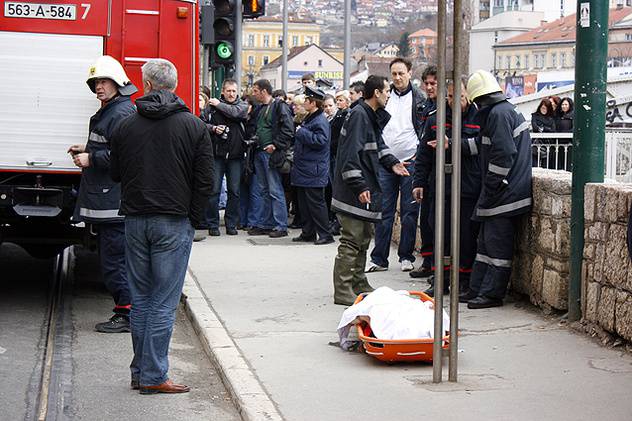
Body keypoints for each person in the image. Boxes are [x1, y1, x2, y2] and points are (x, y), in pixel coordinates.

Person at [110, 58, 213, 393]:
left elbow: (115, 174)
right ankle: (154, 376)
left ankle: (141, 371)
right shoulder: (194, 126)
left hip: (136, 221)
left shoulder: (126, 125)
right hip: (173, 221)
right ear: (174, 85)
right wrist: (192, 219)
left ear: (148, 85)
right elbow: (205, 181)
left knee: (141, 299)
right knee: (163, 302)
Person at [68, 55, 136, 333]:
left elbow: (125, 155)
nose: (99, 86)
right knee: (113, 261)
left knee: (114, 263)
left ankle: (127, 315)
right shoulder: (112, 111)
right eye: (96, 82)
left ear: (118, 82)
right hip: (107, 199)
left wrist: (91, 159)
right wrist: (86, 150)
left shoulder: (120, 113)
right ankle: (127, 312)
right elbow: (109, 145)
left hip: (113, 202)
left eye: (104, 81)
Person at [331, 75, 410, 306]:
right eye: (386, 91)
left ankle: (358, 281)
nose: (388, 95)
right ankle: (343, 288)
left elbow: (377, 146)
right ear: (376, 93)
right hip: (353, 192)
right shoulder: (359, 116)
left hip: (361, 189)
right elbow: (349, 156)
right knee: (351, 240)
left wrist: (392, 162)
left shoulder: (368, 115)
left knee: (363, 238)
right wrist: (360, 186)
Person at [460, 69, 532, 309]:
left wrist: (491, 186)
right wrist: (453, 146)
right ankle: (478, 289)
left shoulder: (498, 115)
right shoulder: (501, 111)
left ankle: (491, 294)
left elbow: (503, 154)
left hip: (505, 194)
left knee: (496, 245)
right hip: (504, 192)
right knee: (485, 245)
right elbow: (483, 146)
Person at [412, 78, 481, 297]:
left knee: (465, 236)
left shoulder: (480, 117)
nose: (454, 101)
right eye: (449, 96)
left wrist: (451, 143)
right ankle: (440, 280)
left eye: (458, 96)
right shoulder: (435, 119)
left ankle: (463, 280)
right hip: (439, 185)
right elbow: (423, 154)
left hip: (468, 186)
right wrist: (419, 182)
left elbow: (480, 146)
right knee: (438, 232)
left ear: (468, 95)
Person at [366, 58, 425, 273]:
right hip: (386, 162)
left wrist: (419, 155)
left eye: (401, 73)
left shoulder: (420, 98)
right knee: (383, 210)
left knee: (410, 212)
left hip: (411, 161)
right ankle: (379, 258)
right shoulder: (385, 96)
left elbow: (424, 128)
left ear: (410, 73)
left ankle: (406, 255)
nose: (397, 78)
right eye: (394, 74)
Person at [200, 79, 249, 236]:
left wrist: (218, 105)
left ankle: (231, 224)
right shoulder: (211, 108)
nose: (231, 94)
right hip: (217, 155)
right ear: (223, 91)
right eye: (228, 91)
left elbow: (236, 113)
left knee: (234, 191)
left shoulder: (241, 106)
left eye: (234, 91)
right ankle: (213, 224)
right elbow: (200, 124)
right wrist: (213, 128)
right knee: (214, 191)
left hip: (236, 156)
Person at [248, 79, 294, 237]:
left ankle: (281, 226)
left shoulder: (279, 107)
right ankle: (267, 223)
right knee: (265, 190)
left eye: (255, 91)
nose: (253, 94)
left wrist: (275, 145)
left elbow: (288, 130)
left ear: (263, 91)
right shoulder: (262, 108)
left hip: (271, 154)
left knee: (274, 190)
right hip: (261, 152)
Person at [291, 86, 334, 245]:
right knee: (304, 204)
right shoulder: (311, 117)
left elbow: (321, 141)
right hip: (305, 169)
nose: (303, 103)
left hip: (313, 170)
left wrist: (301, 132)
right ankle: (307, 232)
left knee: (316, 204)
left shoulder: (320, 120)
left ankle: (325, 234)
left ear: (313, 103)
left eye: (306, 100)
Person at [409, 64, 438, 279]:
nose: (429, 87)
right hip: (427, 171)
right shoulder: (425, 108)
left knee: (437, 223)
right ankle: (428, 262)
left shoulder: (447, 108)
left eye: (433, 83)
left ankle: (437, 266)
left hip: (442, 174)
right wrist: (418, 180)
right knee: (427, 223)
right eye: (426, 83)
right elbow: (422, 146)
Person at [328, 90, 352, 235]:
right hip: (334, 153)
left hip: (339, 154)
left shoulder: (347, 115)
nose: (338, 103)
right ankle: (335, 220)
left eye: (340, 100)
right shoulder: (338, 114)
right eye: (337, 100)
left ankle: (338, 223)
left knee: (339, 189)